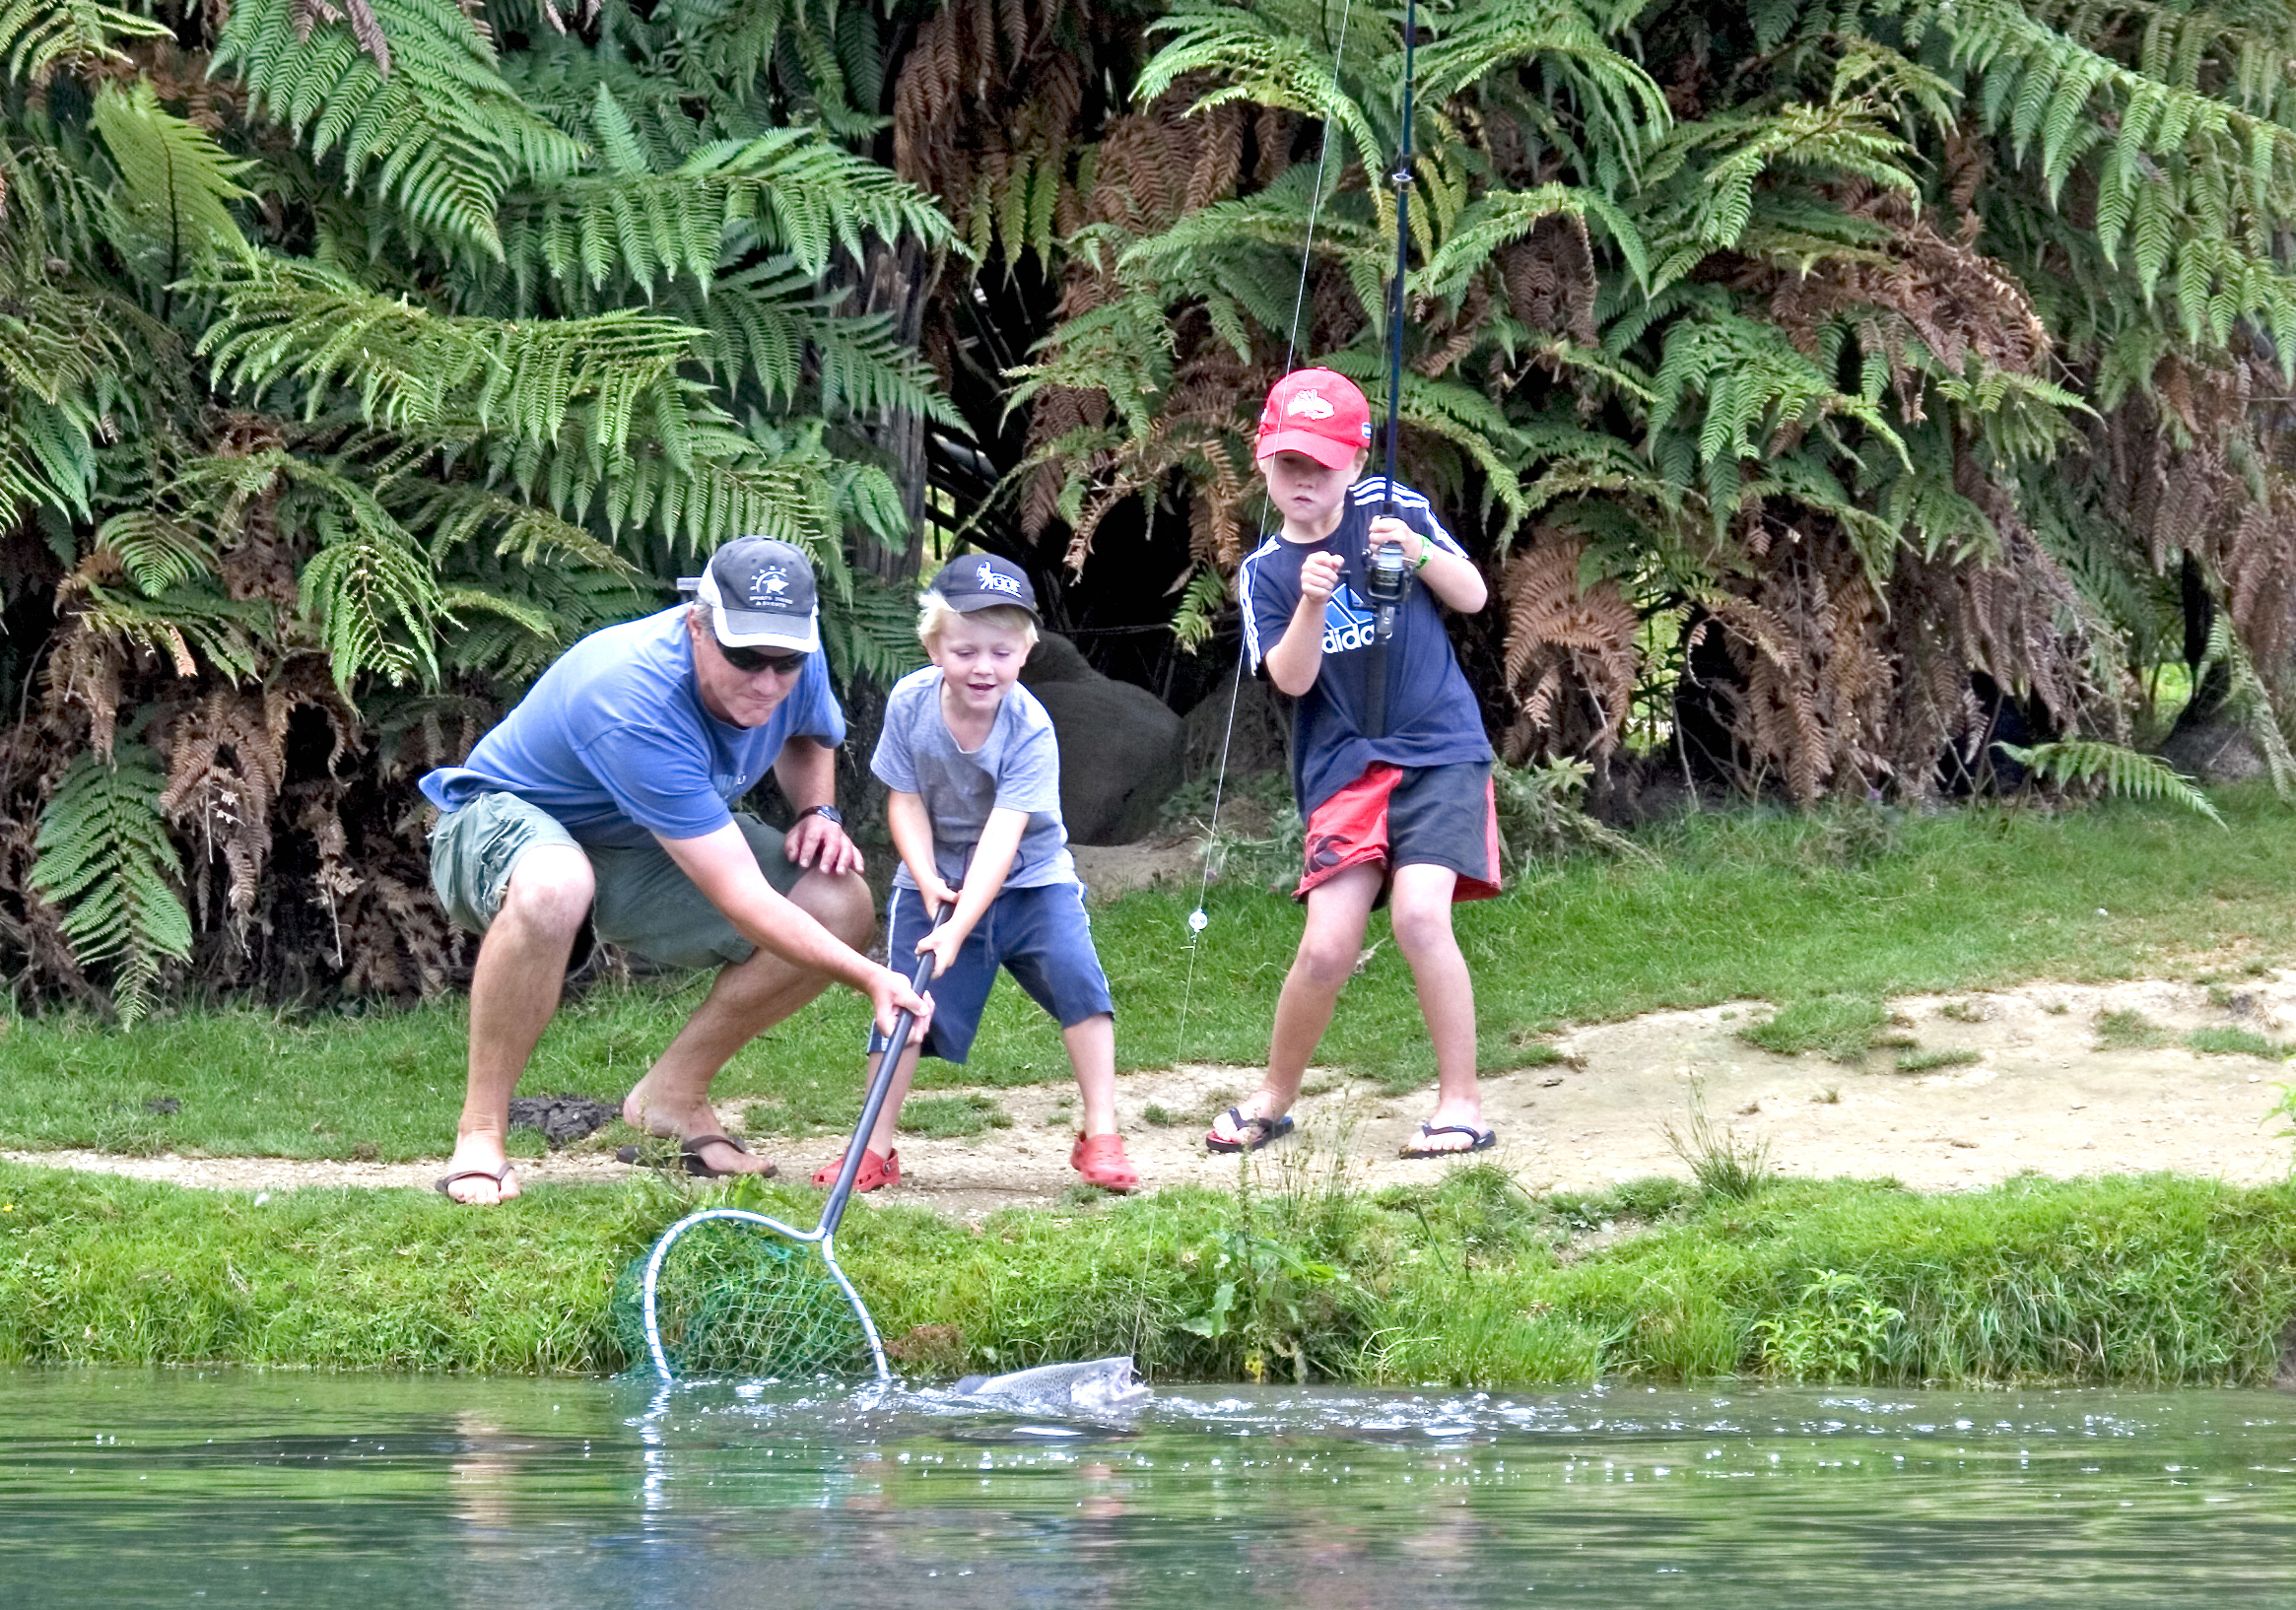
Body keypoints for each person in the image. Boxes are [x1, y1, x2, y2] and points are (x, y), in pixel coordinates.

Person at [419, 537, 931, 1205]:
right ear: (696, 625)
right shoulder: (632, 697)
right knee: (554, 885)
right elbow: (741, 895)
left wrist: (819, 812)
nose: (768, 681)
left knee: (838, 901)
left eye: (786, 663)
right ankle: (480, 1135)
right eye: (745, 659)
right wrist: (870, 977)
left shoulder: (784, 647)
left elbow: (809, 731)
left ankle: (671, 1099)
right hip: (499, 824)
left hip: (642, 844)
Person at [1210, 368, 1501, 1159]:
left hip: (1440, 749)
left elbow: (1472, 596)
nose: (1306, 480)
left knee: (1418, 915)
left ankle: (1462, 1105)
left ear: (1356, 463)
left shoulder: (1396, 509)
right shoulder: (1264, 572)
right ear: (1264, 463)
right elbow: (1291, 679)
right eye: (1290, 463)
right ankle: (1274, 1094)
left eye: (1324, 464)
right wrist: (1309, 601)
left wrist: (1416, 553)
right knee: (1327, 945)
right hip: (1342, 768)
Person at [814, 552, 1138, 1193]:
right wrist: (925, 874)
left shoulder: (1031, 728)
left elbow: (1003, 834)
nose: (982, 667)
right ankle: (874, 1147)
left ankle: (1101, 1133)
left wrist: (960, 926)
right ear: (935, 648)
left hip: (1029, 878)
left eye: (1000, 651)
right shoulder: (910, 703)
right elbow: (903, 798)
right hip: (933, 879)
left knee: (1080, 984)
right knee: (903, 1005)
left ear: (1025, 652)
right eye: (964, 651)